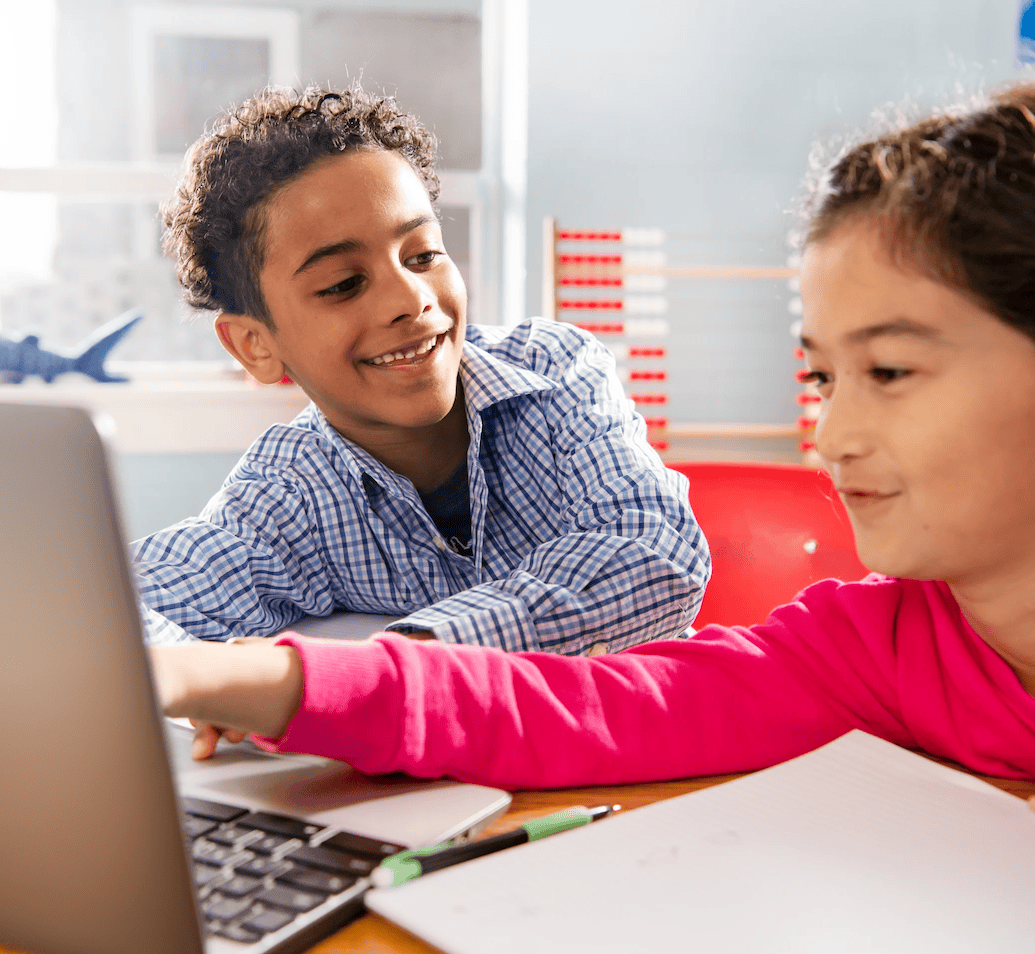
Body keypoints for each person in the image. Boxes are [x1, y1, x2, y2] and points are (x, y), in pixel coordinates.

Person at [150, 81, 1035, 870]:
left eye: (893, 369)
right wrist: (262, 682)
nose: (828, 437)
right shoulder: (875, 652)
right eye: (824, 374)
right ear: (256, 344)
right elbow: (577, 709)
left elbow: (640, 566)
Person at [132, 87, 710, 655]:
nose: (410, 299)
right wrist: (206, 684)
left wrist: (408, 655)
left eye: (423, 254)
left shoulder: (555, 374)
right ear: (254, 344)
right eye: (342, 284)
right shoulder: (289, 497)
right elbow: (127, 609)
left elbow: (657, 554)